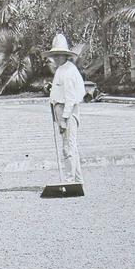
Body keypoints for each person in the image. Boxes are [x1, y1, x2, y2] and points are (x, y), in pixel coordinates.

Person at [46, 33, 86, 184]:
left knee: (68, 148)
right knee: (70, 147)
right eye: (54, 55)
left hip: (67, 114)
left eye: (59, 55)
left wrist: (64, 118)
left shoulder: (69, 71)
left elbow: (71, 98)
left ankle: (70, 180)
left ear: (65, 55)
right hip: (60, 112)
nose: (56, 58)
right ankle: (77, 179)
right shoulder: (61, 69)